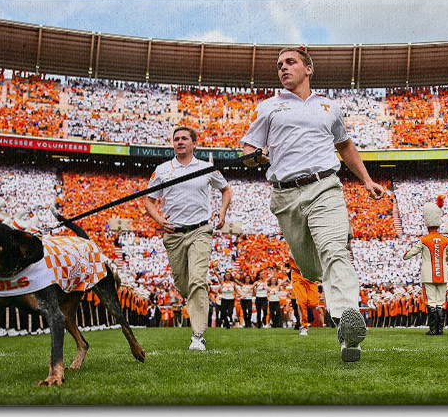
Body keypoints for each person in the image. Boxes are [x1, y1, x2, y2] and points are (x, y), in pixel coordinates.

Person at [241, 46, 384, 363]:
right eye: (279, 65)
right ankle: (342, 317)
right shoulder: (268, 109)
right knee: (309, 267)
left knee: (335, 249)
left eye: (290, 62)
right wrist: (256, 156)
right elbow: (249, 148)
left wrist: (366, 179)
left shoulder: (329, 108)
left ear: (308, 69)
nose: (283, 68)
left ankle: (348, 321)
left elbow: (344, 145)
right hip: (286, 196)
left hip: (325, 187)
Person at [142, 125, 232, 353]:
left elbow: (226, 190)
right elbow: (149, 201)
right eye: (176, 139)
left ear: (194, 143)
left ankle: (198, 336)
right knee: (184, 286)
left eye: (184, 138)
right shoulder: (162, 170)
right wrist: (159, 220)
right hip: (174, 235)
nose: (180, 142)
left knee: (197, 281)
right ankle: (194, 305)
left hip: (200, 230)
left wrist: (221, 212)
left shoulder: (206, 168)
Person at [403, 196, 448, 336]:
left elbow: (411, 253)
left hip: (428, 274)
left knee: (431, 301)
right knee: (440, 302)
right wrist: (444, 258)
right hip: (443, 273)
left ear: (427, 225)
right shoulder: (445, 240)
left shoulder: (424, 240)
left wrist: (405, 255)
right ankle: (440, 329)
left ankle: (433, 329)